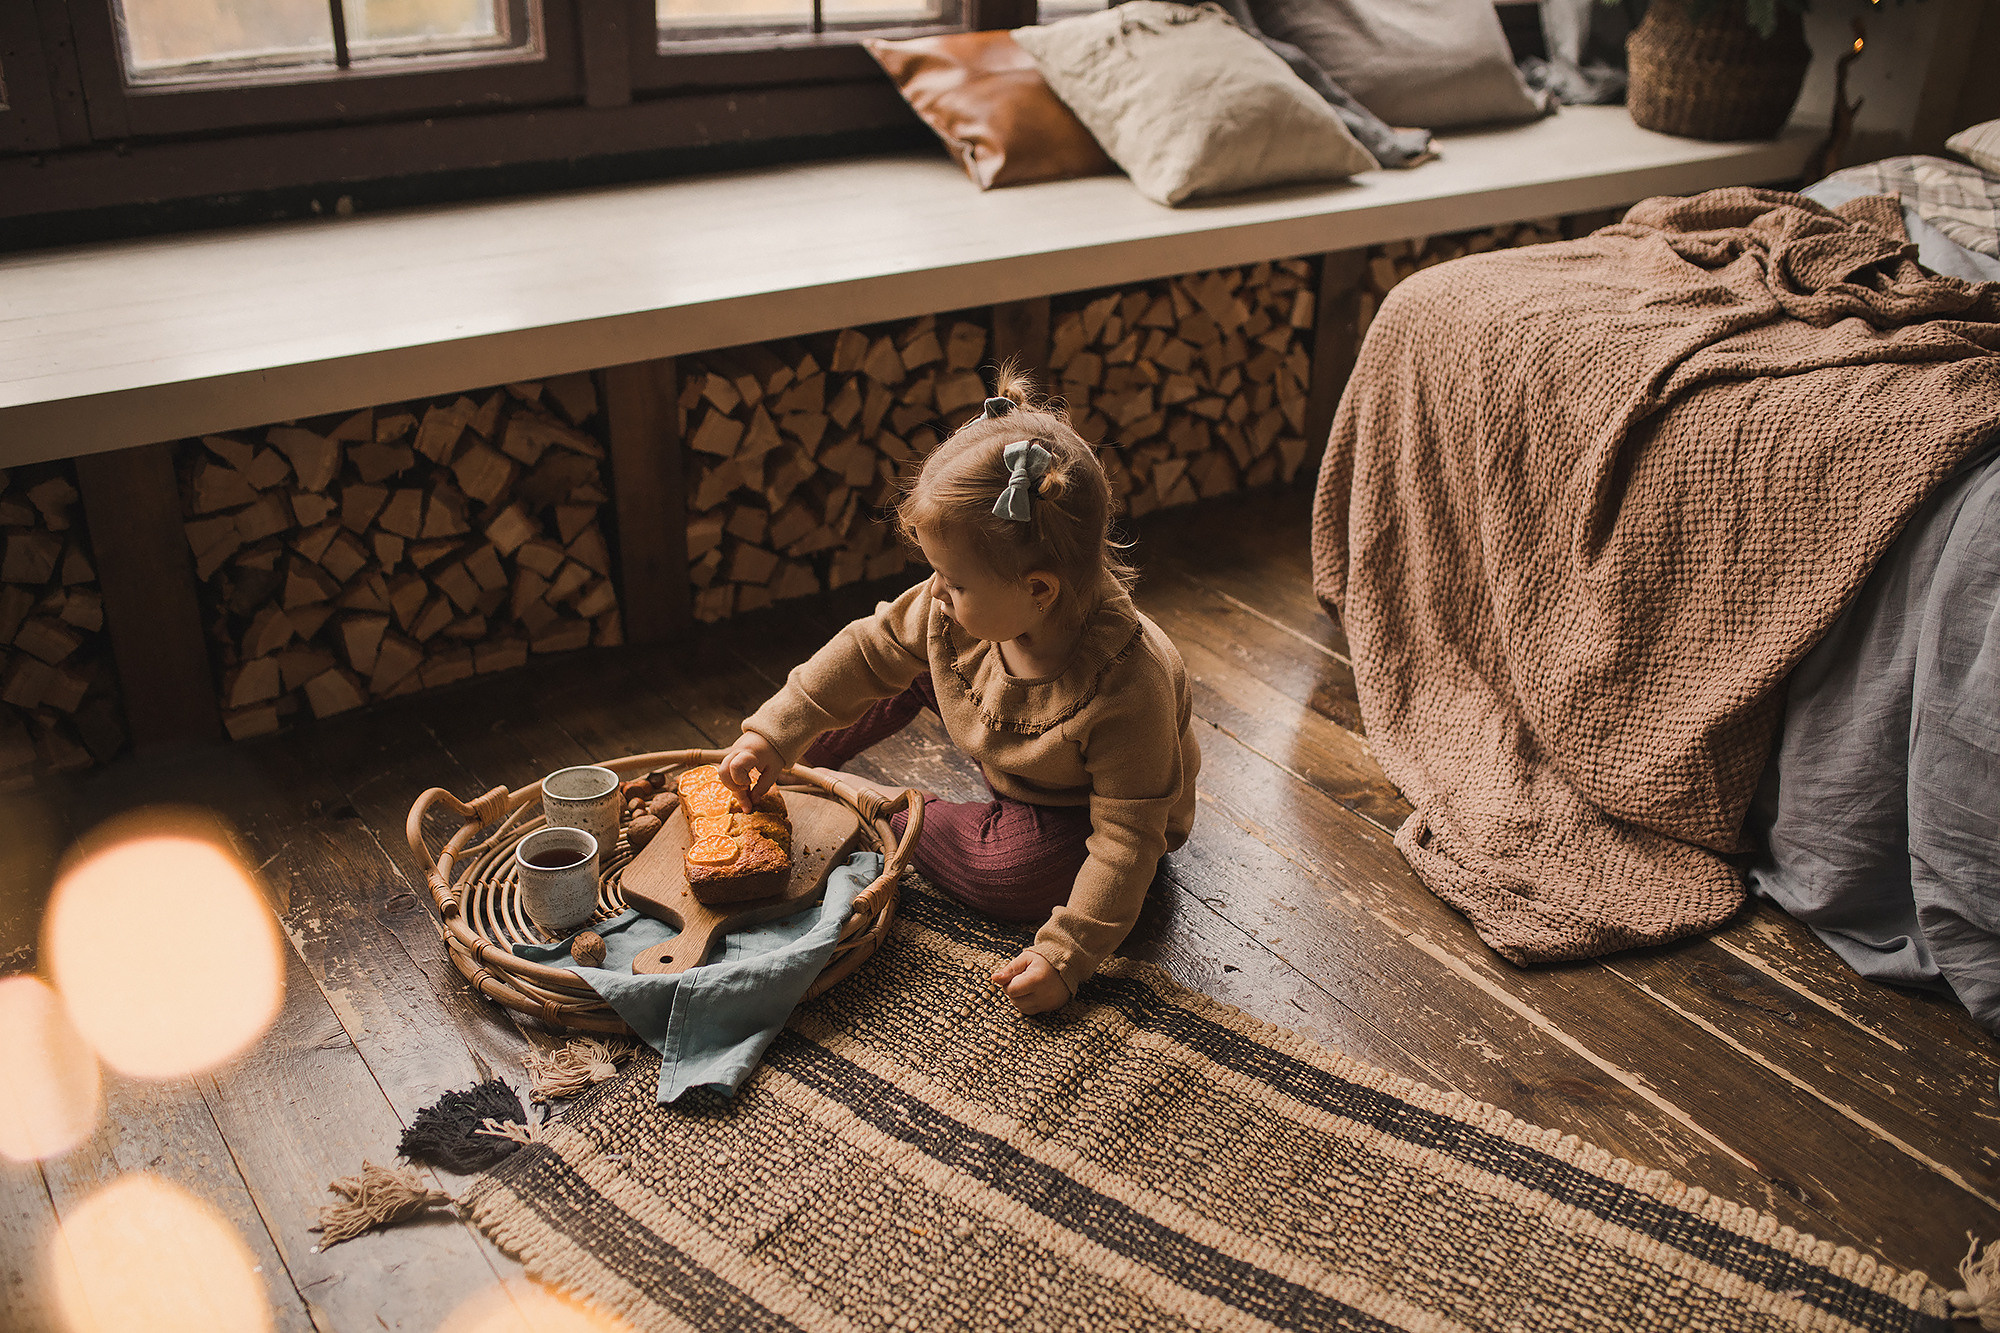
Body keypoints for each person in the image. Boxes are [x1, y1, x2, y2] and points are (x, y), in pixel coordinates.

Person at [717, 368, 1201, 1015]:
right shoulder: (960, 611)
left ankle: (882, 810)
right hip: (1012, 749)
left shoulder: (1125, 687)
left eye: (954, 580)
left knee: (1016, 872)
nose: (937, 591)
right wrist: (772, 729)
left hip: (1080, 815)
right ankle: (788, 762)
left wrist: (1067, 952)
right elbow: (866, 649)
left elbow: (1126, 840)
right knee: (895, 660)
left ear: (1038, 590)